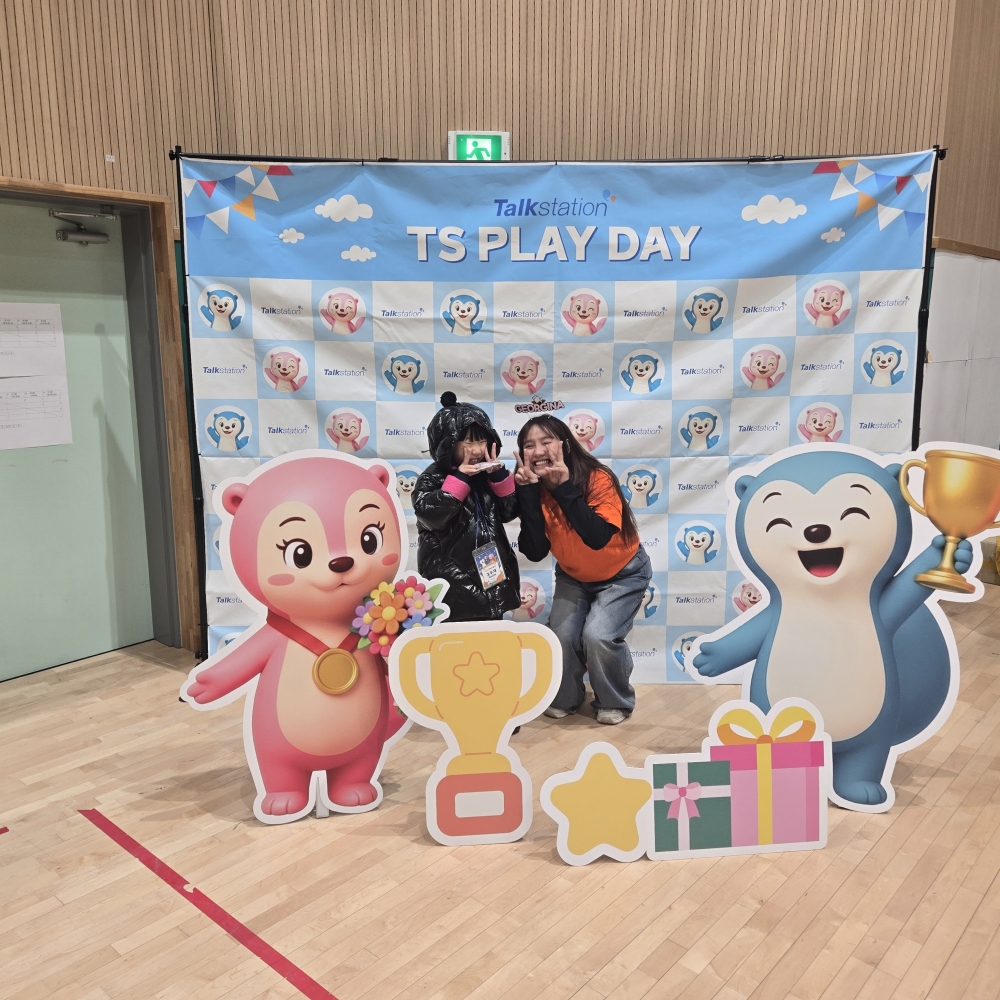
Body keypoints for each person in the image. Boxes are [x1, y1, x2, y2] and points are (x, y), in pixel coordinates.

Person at [514, 415, 651, 725]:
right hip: (574, 576)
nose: (538, 451)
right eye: (529, 445)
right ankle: (566, 698)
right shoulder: (532, 487)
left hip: (624, 574)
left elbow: (597, 537)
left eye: (546, 441)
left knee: (598, 636)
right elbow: (535, 551)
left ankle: (615, 700)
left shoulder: (597, 478)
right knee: (560, 635)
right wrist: (528, 494)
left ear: (565, 445)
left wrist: (563, 487)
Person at [413, 392, 521, 622]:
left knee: (492, 635)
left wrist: (499, 476)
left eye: (482, 441)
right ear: (448, 443)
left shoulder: (486, 475)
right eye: (469, 442)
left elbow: (509, 512)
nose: (477, 449)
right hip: (451, 581)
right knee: (454, 638)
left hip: (491, 574)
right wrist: (460, 480)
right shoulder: (432, 478)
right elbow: (430, 516)